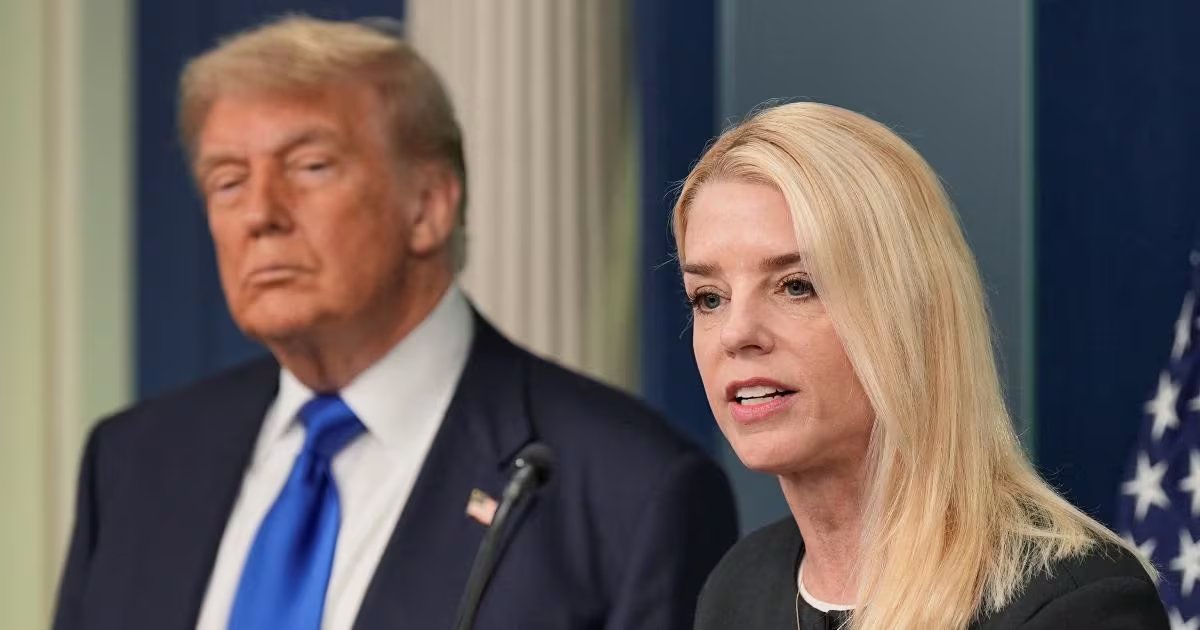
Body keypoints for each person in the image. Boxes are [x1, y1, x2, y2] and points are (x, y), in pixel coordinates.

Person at [52, 15, 737, 630]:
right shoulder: (133, 463)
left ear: (429, 207)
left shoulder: (633, 492)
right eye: (228, 180)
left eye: (310, 166)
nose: (260, 214)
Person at [678, 102, 1167, 629]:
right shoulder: (737, 589)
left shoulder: (1073, 602)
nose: (736, 333)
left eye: (797, 286)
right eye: (709, 297)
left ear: (909, 312)